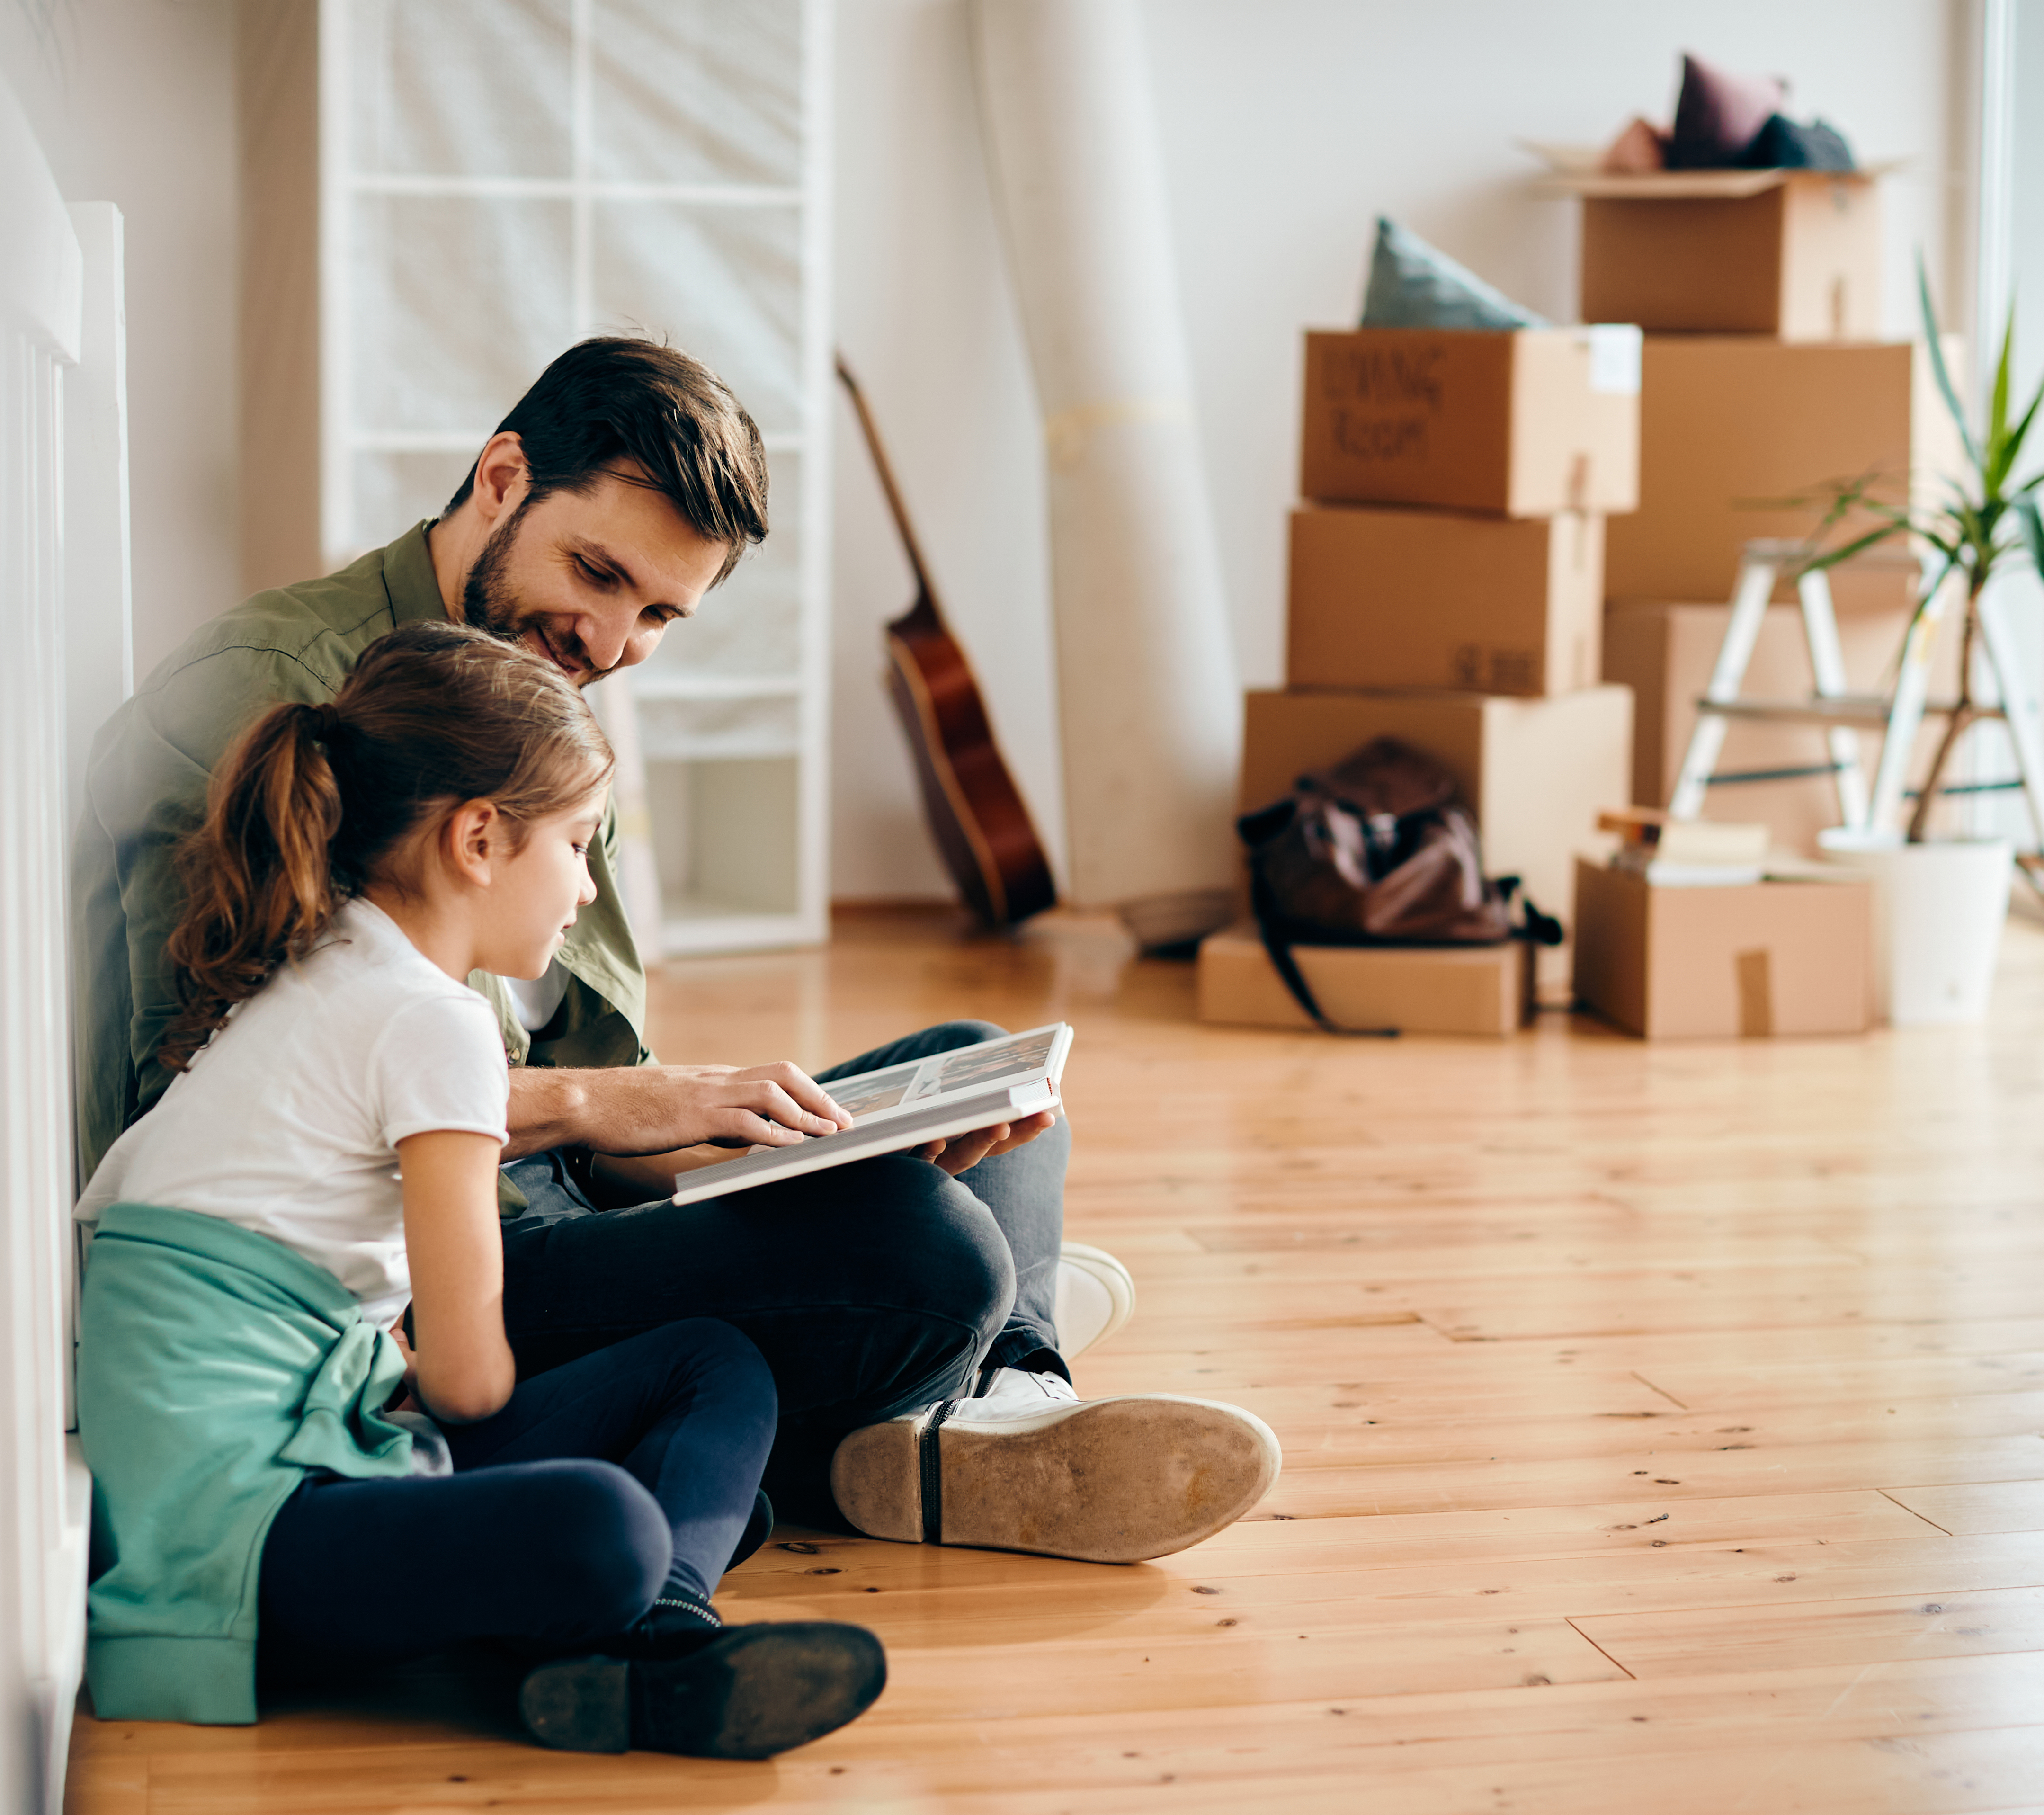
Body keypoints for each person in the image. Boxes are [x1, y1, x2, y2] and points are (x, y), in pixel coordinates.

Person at [74, 335, 1278, 1563]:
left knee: (980, 1068)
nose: (609, 640)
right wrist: (620, 1104)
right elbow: (231, 1104)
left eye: (657, 614)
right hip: (430, 1263)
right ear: (500, 480)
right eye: (597, 572)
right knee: (935, 1254)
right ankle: (960, 1375)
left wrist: (758, 1145)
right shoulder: (279, 704)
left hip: (562, 1187)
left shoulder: (534, 684)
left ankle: (1000, 1394)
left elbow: (594, 1107)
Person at [75, 623, 885, 1757]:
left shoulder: (326, 962)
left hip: (279, 1469)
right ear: (478, 839)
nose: (587, 883)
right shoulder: (433, 1024)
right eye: (578, 844)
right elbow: (463, 1379)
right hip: (239, 1549)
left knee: (708, 1369)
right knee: (611, 1517)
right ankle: (649, 1629)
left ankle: (639, 1637)